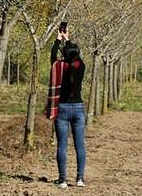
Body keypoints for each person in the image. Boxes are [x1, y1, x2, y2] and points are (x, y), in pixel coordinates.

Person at [51, 27, 86, 189]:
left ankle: (63, 180)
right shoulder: (80, 67)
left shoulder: (59, 66)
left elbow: (53, 56)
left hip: (62, 108)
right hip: (78, 108)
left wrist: (59, 39)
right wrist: (69, 40)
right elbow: (75, 55)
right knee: (79, 145)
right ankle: (80, 179)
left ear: (63, 54)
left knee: (62, 145)